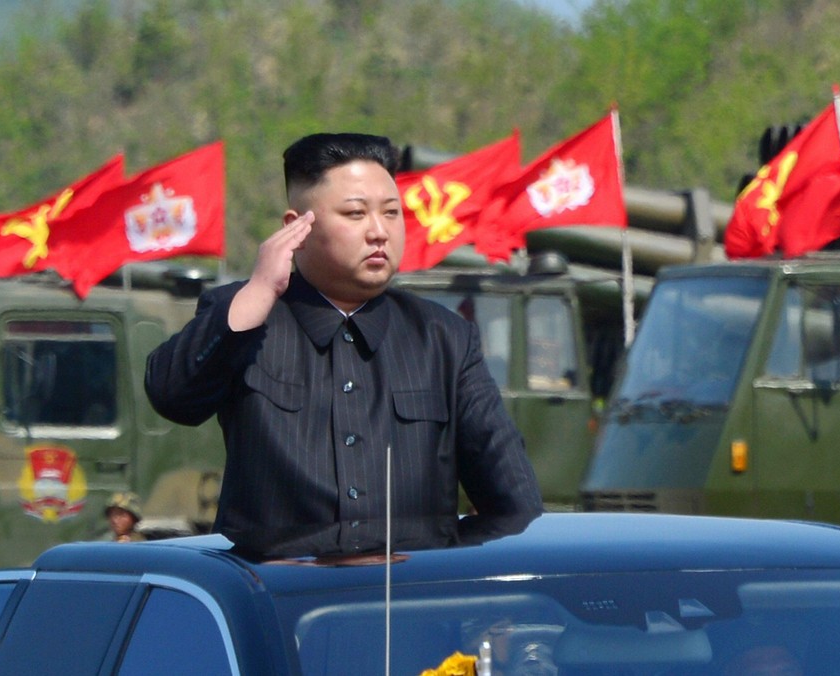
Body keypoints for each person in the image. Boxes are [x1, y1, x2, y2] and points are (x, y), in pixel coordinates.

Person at [145, 132, 543, 533]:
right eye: (355, 214)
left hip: (404, 587)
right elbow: (173, 397)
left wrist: (439, 555)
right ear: (295, 227)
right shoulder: (248, 317)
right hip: (281, 589)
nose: (379, 232)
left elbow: (515, 505)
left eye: (391, 213)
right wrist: (260, 290)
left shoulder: (445, 339)